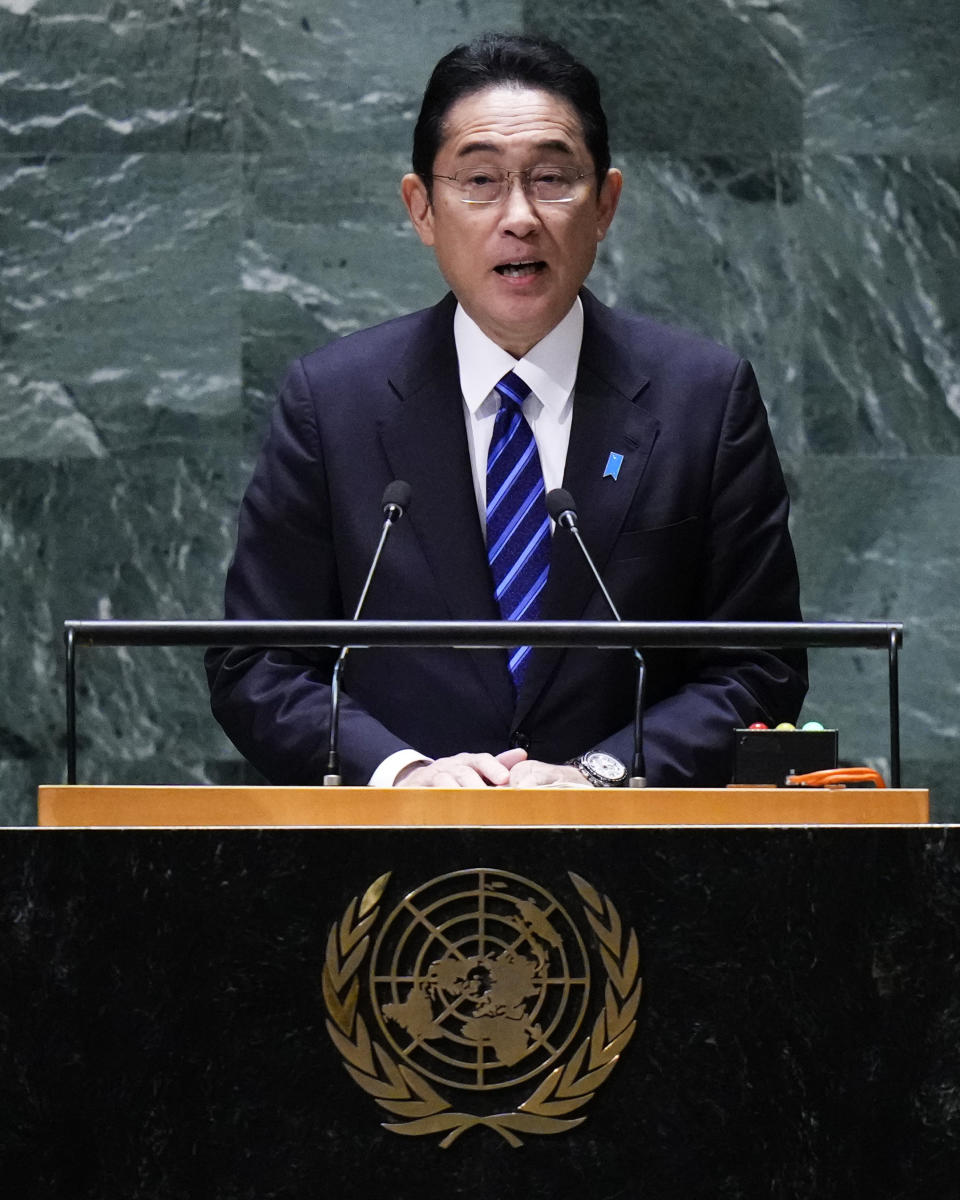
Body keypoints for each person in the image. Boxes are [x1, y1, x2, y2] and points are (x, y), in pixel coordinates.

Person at [205, 32, 806, 789]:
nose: (519, 216)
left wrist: (600, 775)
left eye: (552, 178)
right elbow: (258, 661)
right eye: (480, 180)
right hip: (387, 871)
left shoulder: (705, 401)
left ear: (606, 204)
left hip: (642, 865)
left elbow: (759, 665)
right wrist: (401, 772)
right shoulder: (333, 403)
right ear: (422, 208)